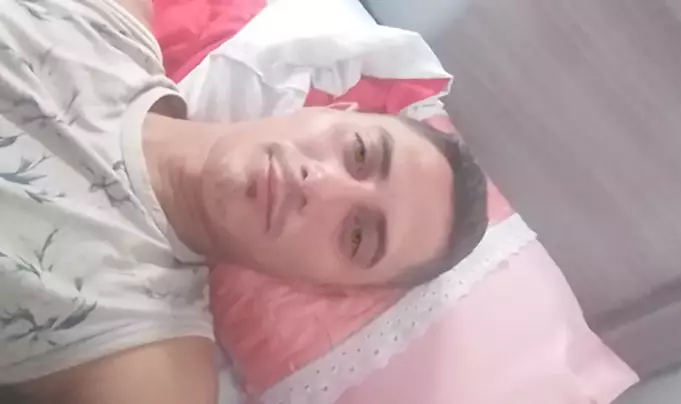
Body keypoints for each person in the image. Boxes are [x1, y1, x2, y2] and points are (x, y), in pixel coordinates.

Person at [0, 0, 488, 403]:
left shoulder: (147, 365)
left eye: (357, 235)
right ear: (338, 110)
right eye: (359, 154)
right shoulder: (109, 21)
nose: (317, 185)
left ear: (325, 286)